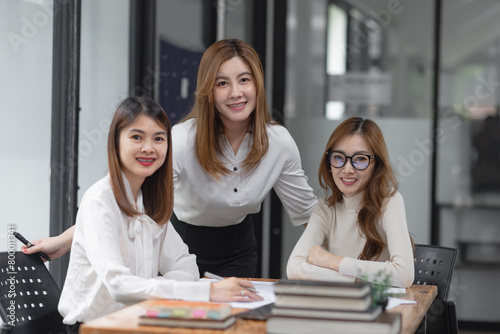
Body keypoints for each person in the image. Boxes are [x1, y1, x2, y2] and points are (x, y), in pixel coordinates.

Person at [24, 39, 317, 278]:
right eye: (222, 83)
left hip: (237, 248)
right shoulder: (183, 138)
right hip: (177, 243)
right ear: (208, 91)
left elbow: (309, 214)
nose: (236, 93)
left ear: (258, 85)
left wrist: (348, 262)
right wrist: (62, 242)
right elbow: (126, 198)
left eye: (244, 80)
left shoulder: (279, 143)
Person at [58, 96, 261, 333]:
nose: (148, 148)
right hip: (94, 328)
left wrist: (149, 287)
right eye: (136, 137)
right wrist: (207, 291)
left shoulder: (150, 200)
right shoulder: (99, 200)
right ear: (115, 142)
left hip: (136, 321)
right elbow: (118, 285)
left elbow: (185, 264)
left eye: (158, 139)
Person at [286, 117, 414, 288]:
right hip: (341, 303)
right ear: (329, 163)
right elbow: (294, 268)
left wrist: (334, 262)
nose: (347, 169)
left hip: (380, 307)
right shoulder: (325, 208)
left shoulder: (389, 202)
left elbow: (404, 275)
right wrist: (356, 280)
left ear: (376, 165)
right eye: (338, 157)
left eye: (360, 159)